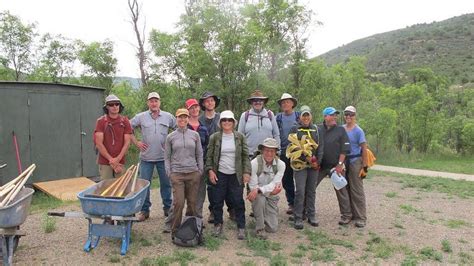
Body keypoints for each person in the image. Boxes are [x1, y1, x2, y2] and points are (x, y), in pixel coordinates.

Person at [130, 92, 176, 221]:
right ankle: (145, 211)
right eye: (151, 101)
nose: (154, 103)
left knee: (166, 184)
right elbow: (127, 128)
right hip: (146, 158)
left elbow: (178, 128)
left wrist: (172, 144)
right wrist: (136, 142)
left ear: (159, 102)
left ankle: (167, 208)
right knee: (144, 185)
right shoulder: (141, 117)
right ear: (148, 103)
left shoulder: (168, 117)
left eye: (156, 101)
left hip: (164, 158)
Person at [206, 110, 251, 240]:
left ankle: (241, 226)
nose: (227, 122)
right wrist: (210, 170)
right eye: (224, 120)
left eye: (229, 120)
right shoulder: (214, 137)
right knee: (217, 200)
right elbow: (208, 156)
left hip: (236, 174)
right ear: (220, 122)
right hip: (220, 173)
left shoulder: (240, 137)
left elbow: (245, 156)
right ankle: (218, 224)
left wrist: (246, 172)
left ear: (233, 122)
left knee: (238, 200)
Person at [165, 108, 203, 237]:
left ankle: (189, 228)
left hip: (193, 173)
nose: (183, 119)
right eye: (180, 117)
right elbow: (167, 157)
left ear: (188, 119)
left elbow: (199, 154)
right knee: (179, 203)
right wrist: (169, 173)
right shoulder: (170, 137)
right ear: (176, 119)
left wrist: (200, 171)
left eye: (185, 117)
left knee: (192, 203)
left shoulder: (195, 135)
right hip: (177, 175)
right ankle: (175, 230)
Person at [198, 91, 234, 223]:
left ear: (215, 102)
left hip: (223, 155)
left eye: (212, 100)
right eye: (206, 100)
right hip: (205, 156)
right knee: (211, 186)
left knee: (228, 184)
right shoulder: (199, 119)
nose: (210, 102)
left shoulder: (222, 117)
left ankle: (232, 210)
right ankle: (213, 210)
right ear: (203, 103)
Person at [288, 106, 323, 230]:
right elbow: (293, 146)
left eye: (308, 115)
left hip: (313, 166)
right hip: (300, 165)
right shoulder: (295, 128)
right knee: (300, 191)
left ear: (311, 116)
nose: (306, 118)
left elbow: (320, 147)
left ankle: (311, 215)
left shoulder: (316, 129)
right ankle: (298, 217)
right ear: (300, 117)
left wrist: (317, 162)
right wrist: (305, 158)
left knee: (311, 190)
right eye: (304, 115)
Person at [317, 107, 351, 225]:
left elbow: (344, 149)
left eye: (336, 115)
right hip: (320, 166)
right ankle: (305, 211)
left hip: (335, 166)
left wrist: (340, 165)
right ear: (325, 116)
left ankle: (346, 215)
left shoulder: (341, 130)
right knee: (310, 188)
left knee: (341, 189)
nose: (334, 117)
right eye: (332, 115)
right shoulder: (318, 129)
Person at [247, 138, 285, 239]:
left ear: (276, 152)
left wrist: (261, 190)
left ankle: (265, 212)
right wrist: (261, 190)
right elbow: (253, 186)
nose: (269, 153)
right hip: (257, 194)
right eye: (267, 150)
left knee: (272, 228)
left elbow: (275, 184)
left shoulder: (281, 165)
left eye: (272, 151)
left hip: (270, 194)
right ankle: (260, 229)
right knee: (260, 199)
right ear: (262, 151)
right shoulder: (254, 163)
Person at [94, 94, 132, 180]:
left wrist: (117, 160)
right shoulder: (101, 121)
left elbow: (127, 142)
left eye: (117, 104)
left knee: (121, 188)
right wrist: (111, 160)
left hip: (120, 162)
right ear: (107, 107)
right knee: (106, 188)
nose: (114, 106)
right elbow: (99, 143)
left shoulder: (125, 121)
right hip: (105, 162)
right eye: (111, 104)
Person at [343, 106, 368, 228]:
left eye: (351, 114)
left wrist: (365, 166)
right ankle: (350, 214)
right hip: (344, 161)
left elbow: (364, 148)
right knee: (345, 188)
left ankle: (361, 217)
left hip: (355, 161)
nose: (348, 116)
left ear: (355, 116)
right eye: (346, 114)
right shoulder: (342, 129)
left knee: (356, 189)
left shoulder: (359, 131)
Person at [276, 93, 300, 215]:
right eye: (283, 102)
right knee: (287, 179)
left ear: (292, 103)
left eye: (287, 102)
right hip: (284, 152)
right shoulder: (278, 118)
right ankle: (292, 203)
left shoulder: (299, 116)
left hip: (299, 152)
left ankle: (301, 204)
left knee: (300, 179)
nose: (285, 104)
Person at [238, 90, 280, 157]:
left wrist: (278, 151)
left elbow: (276, 134)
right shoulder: (245, 115)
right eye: (255, 100)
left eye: (260, 100)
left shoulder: (270, 114)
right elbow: (240, 137)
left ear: (263, 102)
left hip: (269, 155)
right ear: (251, 102)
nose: (258, 102)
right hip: (249, 155)